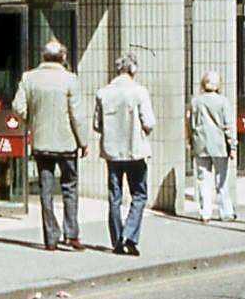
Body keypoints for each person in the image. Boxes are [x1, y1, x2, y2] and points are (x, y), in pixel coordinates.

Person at [12, 40, 87, 252]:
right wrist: (84, 142)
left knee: (46, 190)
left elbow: (18, 106)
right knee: (70, 187)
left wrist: (32, 120)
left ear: (43, 56)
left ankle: (51, 238)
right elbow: (77, 115)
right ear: (62, 57)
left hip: (41, 142)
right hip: (67, 143)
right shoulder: (70, 80)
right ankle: (71, 234)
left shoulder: (29, 78)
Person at [95, 53, 156, 256]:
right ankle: (129, 235)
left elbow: (97, 125)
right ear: (133, 70)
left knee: (115, 196)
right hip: (135, 151)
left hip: (112, 153)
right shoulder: (139, 92)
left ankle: (116, 240)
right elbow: (149, 122)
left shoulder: (103, 93)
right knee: (139, 194)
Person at [190, 70, 238, 223]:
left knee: (203, 179)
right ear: (218, 85)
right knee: (221, 179)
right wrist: (233, 145)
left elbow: (191, 123)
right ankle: (226, 212)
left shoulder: (195, 101)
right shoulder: (223, 102)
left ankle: (205, 212)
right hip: (219, 144)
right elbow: (229, 125)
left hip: (201, 143)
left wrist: (191, 141)